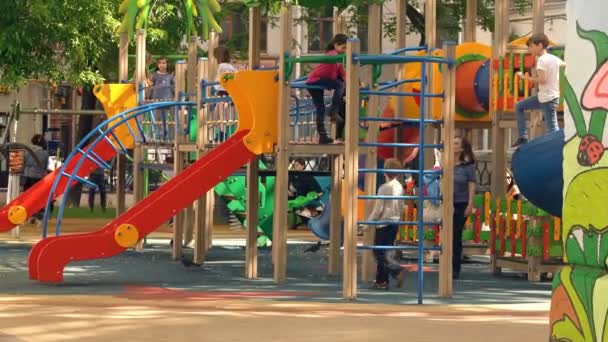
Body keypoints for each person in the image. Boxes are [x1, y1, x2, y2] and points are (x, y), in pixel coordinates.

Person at [512, 33, 566, 148]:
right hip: (547, 97)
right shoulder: (553, 58)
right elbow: (564, 64)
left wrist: (525, 77)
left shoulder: (542, 60)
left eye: (531, 46)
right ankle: (523, 136)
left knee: (553, 128)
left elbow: (542, 79)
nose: (530, 49)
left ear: (540, 45)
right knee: (519, 106)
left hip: (547, 98)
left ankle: (558, 148)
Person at [365, 157, 407, 290]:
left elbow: (378, 209)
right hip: (394, 222)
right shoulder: (399, 186)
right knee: (386, 252)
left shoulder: (384, 188)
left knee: (379, 252)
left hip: (383, 223)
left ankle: (395, 271)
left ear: (385, 171)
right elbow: (401, 206)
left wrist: (367, 223)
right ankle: (382, 281)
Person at [306, 34, 348, 144]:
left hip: (317, 81)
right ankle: (333, 111)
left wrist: (345, 78)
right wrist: (341, 78)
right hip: (316, 80)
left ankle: (323, 136)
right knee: (339, 85)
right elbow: (331, 73)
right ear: (336, 45)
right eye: (343, 47)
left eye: (346, 48)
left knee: (321, 109)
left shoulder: (338, 56)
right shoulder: (333, 55)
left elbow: (341, 73)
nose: (345, 50)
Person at [452, 136, 477, 279]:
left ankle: (455, 268)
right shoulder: (447, 164)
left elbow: (472, 186)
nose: (453, 145)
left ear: (461, 149)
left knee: (456, 234)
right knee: (447, 235)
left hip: (461, 203)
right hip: (448, 203)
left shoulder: (467, 167)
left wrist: (470, 204)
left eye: (456, 143)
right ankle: (447, 265)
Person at [23, 134, 50, 221]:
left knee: (27, 197)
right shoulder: (45, 153)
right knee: (39, 197)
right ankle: (39, 214)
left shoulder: (27, 152)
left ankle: (27, 214)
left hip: (28, 176)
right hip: (39, 178)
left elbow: (24, 163)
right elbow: (45, 166)